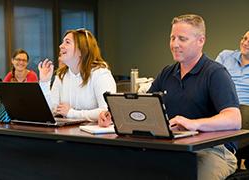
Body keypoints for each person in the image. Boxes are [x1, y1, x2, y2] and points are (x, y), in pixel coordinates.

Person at [99, 14, 241, 180]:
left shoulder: (215, 73)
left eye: (182, 39)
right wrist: (115, 116)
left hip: (212, 151)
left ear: (200, 40)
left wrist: (194, 124)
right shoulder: (167, 73)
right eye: (172, 38)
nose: (175, 44)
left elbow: (234, 118)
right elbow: (144, 105)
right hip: (174, 147)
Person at [38, 29, 116, 121]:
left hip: (93, 133)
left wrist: (71, 113)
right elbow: (51, 110)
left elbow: (107, 111)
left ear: (81, 50)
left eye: (67, 42)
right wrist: (45, 82)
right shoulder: (61, 75)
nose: (60, 46)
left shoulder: (100, 73)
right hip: (66, 131)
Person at [216, 30, 249, 105]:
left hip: (244, 107)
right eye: (244, 38)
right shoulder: (225, 56)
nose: (245, 43)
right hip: (220, 103)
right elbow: (211, 80)